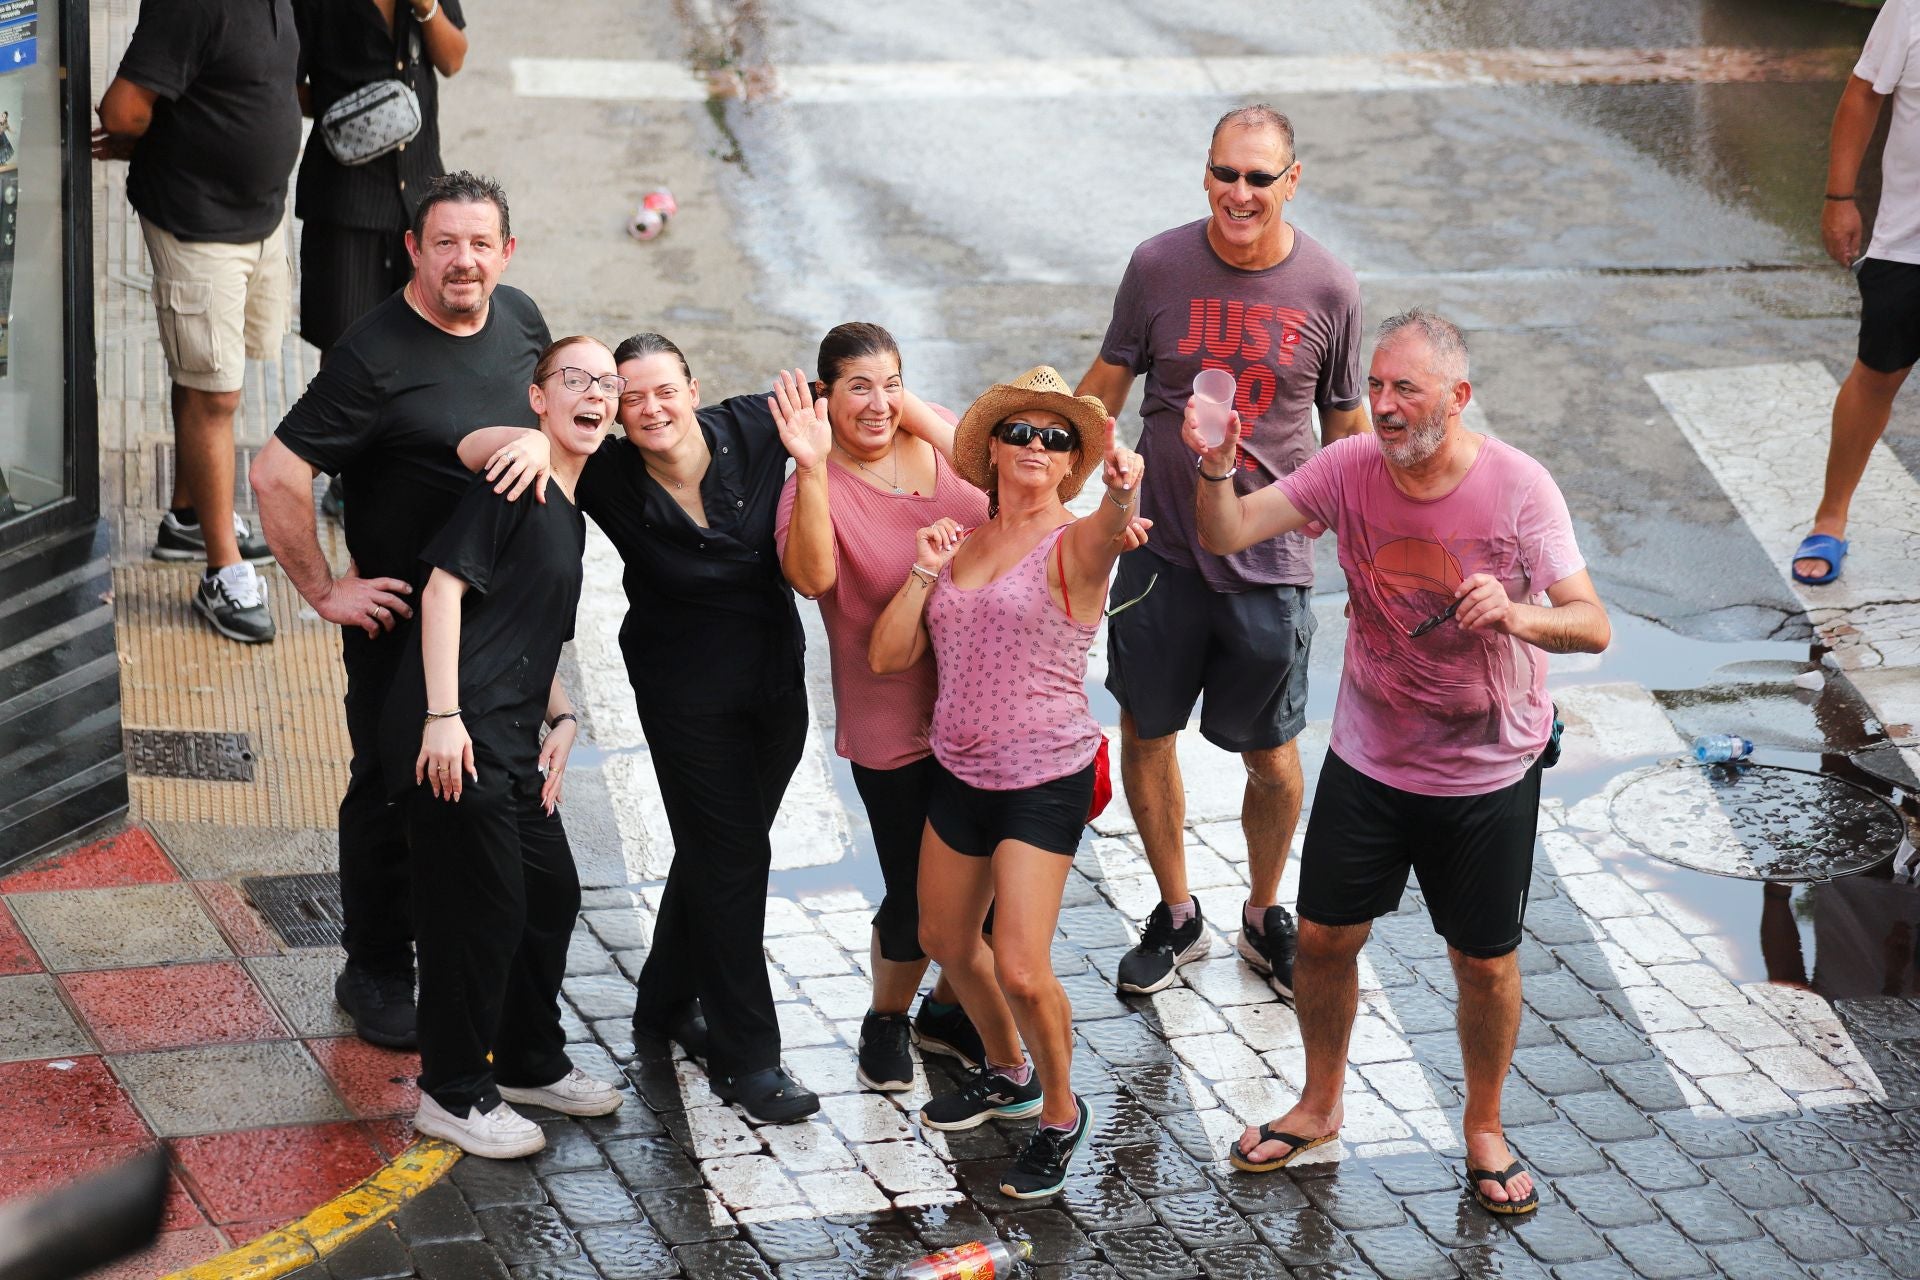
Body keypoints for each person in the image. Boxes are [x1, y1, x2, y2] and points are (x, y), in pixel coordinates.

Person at [1195, 310, 1609, 1214]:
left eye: (1405, 390)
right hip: (1370, 757)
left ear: (1457, 397)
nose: (1382, 406)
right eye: (1376, 386)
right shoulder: (1349, 468)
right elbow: (1228, 532)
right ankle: (1319, 1104)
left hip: (1487, 771)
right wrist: (1217, 464)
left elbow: (1592, 623)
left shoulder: (1519, 488)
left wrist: (1517, 614)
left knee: (1483, 963)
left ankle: (1484, 1127)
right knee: (1325, 939)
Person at [462, 337, 828, 1125]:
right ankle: (748, 1059)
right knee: (732, 859)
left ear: (693, 389)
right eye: (632, 399)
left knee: (719, 849)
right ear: (619, 415)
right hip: (684, 695)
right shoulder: (609, 470)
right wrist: (530, 440)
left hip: (775, 686)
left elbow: (870, 398)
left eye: (665, 391)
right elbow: (473, 444)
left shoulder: (756, 426)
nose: (652, 409)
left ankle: (664, 1000)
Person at [252, 172, 549, 1051]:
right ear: (413, 249)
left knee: (487, 785)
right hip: (402, 619)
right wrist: (323, 590)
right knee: (391, 790)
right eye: (445, 243)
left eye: (481, 244)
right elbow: (276, 474)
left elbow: (553, 419)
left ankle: (475, 957)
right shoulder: (372, 354)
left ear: (507, 252)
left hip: (498, 616)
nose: (464, 261)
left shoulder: (521, 320)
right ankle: (376, 967)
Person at [1076, 104, 1367, 999]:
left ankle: (1264, 911)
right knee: (1147, 733)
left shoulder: (1329, 288)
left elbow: (1348, 430)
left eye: (1259, 177)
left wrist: (1369, 554)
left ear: (1292, 180)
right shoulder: (1157, 266)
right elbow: (1104, 388)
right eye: (1224, 173)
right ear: (1207, 172)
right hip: (1159, 552)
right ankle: (1176, 914)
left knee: (1273, 756)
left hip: (1269, 564)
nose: (1239, 193)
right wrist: (1041, 488)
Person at [870, 365, 1145, 1200]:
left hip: (1042, 778)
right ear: (990, 449)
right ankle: (1008, 1070)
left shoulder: (1077, 542)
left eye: (1055, 439)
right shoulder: (961, 542)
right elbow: (888, 656)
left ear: (1072, 464)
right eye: (1019, 432)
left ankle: (1060, 1114)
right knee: (946, 938)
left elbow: (1110, 530)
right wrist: (923, 570)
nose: (1035, 445)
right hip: (959, 772)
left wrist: (1122, 496)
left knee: (1023, 968)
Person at [381, 335, 622, 1158]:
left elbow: (522, 628)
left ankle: (527, 1061)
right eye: (575, 379)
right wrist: (442, 717)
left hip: (514, 737)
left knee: (549, 895)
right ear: (538, 399)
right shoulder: (515, 481)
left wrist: (564, 716)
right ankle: (452, 1094)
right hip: (460, 734)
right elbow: (443, 590)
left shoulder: (570, 512)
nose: (594, 393)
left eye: (607, 383)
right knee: (477, 917)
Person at [772, 323, 994, 1091]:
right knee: (915, 894)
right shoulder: (813, 481)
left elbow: (1011, 481)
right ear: (825, 396)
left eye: (891, 383)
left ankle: (947, 1011)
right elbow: (810, 578)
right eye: (858, 387)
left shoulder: (939, 441)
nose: (877, 403)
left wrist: (915, 411)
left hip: (985, 709)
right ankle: (887, 1017)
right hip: (893, 721)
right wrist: (811, 467)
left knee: (995, 887)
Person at [93, 0, 302, 644]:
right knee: (217, 395)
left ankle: (188, 517)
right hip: (198, 224)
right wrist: (162, 144)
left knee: (210, 376)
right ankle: (222, 570)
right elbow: (122, 111)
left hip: (260, 217)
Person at [292, 0, 468, 527]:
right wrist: (349, 111)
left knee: (431, 335)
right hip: (345, 196)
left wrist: (427, 7)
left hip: (422, 192)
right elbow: (285, 80)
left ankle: (414, 466)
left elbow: (453, 58)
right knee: (346, 343)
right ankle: (348, 476)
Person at [1793, 0, 1920, 587]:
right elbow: (1864, 92)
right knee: (1876, 375)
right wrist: (1839, 197)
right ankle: (1831, 516)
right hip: (1909, 244)